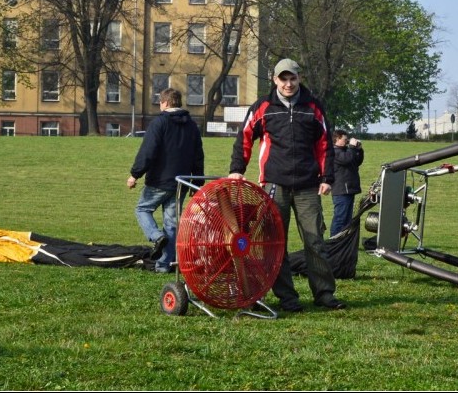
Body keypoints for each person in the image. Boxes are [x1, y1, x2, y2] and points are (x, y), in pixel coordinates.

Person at [229, 58, 346, 312]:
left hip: (308, 186)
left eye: (292, 78)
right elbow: (245, 137)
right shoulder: (263, 107)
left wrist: (327, 179)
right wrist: (237, 170)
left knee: (315, 241)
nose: (288, 83)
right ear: (275, 80)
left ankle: (325, 294)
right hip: (273, 185)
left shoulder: (313, 107)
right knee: (274, 243)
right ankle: (287, 298)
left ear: (299, 78)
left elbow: (325, 144)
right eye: (283, 79)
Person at [127, 87, 204, 273]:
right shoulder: (192, 125)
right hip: (182, 182)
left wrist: (135, 174)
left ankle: (155, 236)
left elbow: (148, 151)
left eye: (160, 102)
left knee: (142, 209)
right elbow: (198, 155)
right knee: (171, 222)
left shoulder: (159, 123)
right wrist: (196, 182)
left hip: (159, 181)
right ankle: (163, 265)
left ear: (166, 103)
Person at [330, 129, 364, 237]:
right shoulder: (334, 152)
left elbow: (356, 161)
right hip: (341, 190)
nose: (347, 141)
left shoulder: (346, 151)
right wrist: (352, 148)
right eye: (345, 139)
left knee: (347, 219)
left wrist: (359, 150)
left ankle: (343, 242)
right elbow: (347, 159)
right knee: (340, 218)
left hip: (349, 189)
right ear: (338, 138)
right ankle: (333, 241)